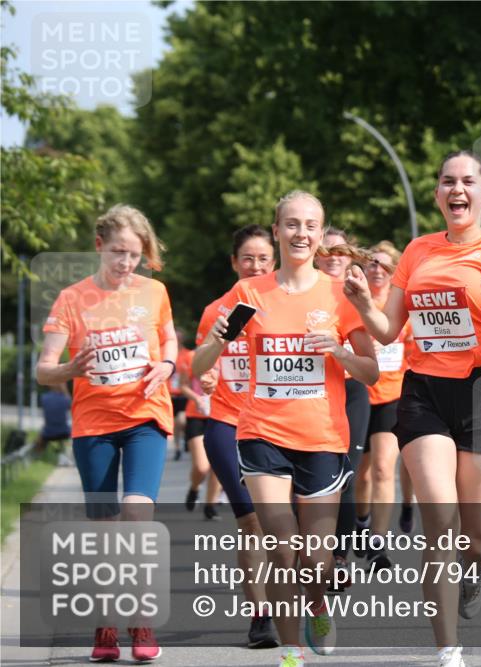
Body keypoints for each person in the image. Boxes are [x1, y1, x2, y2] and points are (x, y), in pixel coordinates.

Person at [343, 151, 481, 667]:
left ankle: (475, 572)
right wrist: (360, 302)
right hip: (424, 392)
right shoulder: (417, 251)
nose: (456, 189)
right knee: (440, 515)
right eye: (446, 181)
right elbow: (389, 330)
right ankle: (448, 650)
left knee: (477, 539)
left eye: (467, 182)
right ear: (437, 193)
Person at [193, 191, 378, 667]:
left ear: (321, 234)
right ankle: (291, 651)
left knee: (316, 561)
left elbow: (371, 372)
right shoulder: (249, 294)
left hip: (321, 437)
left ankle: (317, 601)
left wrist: (336, 353)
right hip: (261, 433)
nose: (301, 233)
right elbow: (201, 365)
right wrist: (215, 342)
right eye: (291, 224)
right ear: (277, 232)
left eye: (310, 225)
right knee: (280, 546)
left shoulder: (339, 296)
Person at [36, 204, 175, 663]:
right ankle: (106, 623)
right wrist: (69, 369)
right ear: (99, 246)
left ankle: (140, 620)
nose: (126, 263)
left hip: (145, 418)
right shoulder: (72, 299)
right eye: (118, 252)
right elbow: (43, 371)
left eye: (134, 254)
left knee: (136, 517)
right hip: (94, 425)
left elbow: (170, 337)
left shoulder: (154, 293)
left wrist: (168, 364)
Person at [194, 223, 279, 649]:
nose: (256, 265)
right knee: (250, 522)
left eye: (264, 258)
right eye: (248, 258)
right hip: (227, 423)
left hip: (278, 426)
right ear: (234, 262)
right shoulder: (216, 311)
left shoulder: (284, 305)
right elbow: (201, 362)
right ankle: (260, 617)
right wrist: (208, 376)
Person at [315, 226, 372, 588]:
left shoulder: (358, 292)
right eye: (328, 251)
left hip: (351, 390)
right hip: (311, 396)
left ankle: (338, 558)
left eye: (341, 251)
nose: (334, 257)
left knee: (347, 473)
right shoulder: (302, 290)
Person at [351, 241, 413, 570]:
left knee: (383, 468)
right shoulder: (355, 301)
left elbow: (416, 349)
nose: (377, 269)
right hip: (360, 396)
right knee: (361, 474)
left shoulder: (401, 305)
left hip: (392, 395)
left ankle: (378, 542)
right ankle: (361, 520)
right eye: (372, 263)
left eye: (385, 265)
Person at [178, 339, 222, 519]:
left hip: (219, 415)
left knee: (219, 467)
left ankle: (210, 505)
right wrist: (196, 398)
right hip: (196, 416)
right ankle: (194, 488)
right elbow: (182, 385)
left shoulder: (226, 355)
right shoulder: (191, 357)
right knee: (202, 466)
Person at [169, 331, 191, 461]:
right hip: (170, 393)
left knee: (181, 420)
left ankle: (185, 439)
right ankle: (177, 447)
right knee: (174, 424)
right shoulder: (166, 354)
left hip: (183, 393)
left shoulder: (187, 355)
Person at [36, 382, 72, 461]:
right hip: (64, 431)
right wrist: (65, 390)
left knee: (40, 435)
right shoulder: (64, 398)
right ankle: (68, 457)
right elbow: (71, 405)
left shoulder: (44, 397)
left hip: (48, 432)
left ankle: (38, 456)